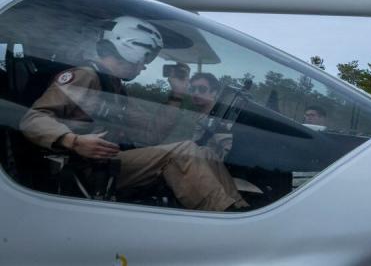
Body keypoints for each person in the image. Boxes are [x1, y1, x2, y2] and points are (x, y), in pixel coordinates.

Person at [19, 15, 248, 212]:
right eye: (146, 58)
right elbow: (33, 119)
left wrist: (177, 94)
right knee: (185, 151)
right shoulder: (85, 76)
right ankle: (225, 216)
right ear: (133, 48)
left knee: (201, 152)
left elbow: (152, 134)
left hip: (109, 165)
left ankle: (240, 209)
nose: (145, 66)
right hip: (85, 168)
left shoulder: (116, 87)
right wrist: (73, 141)